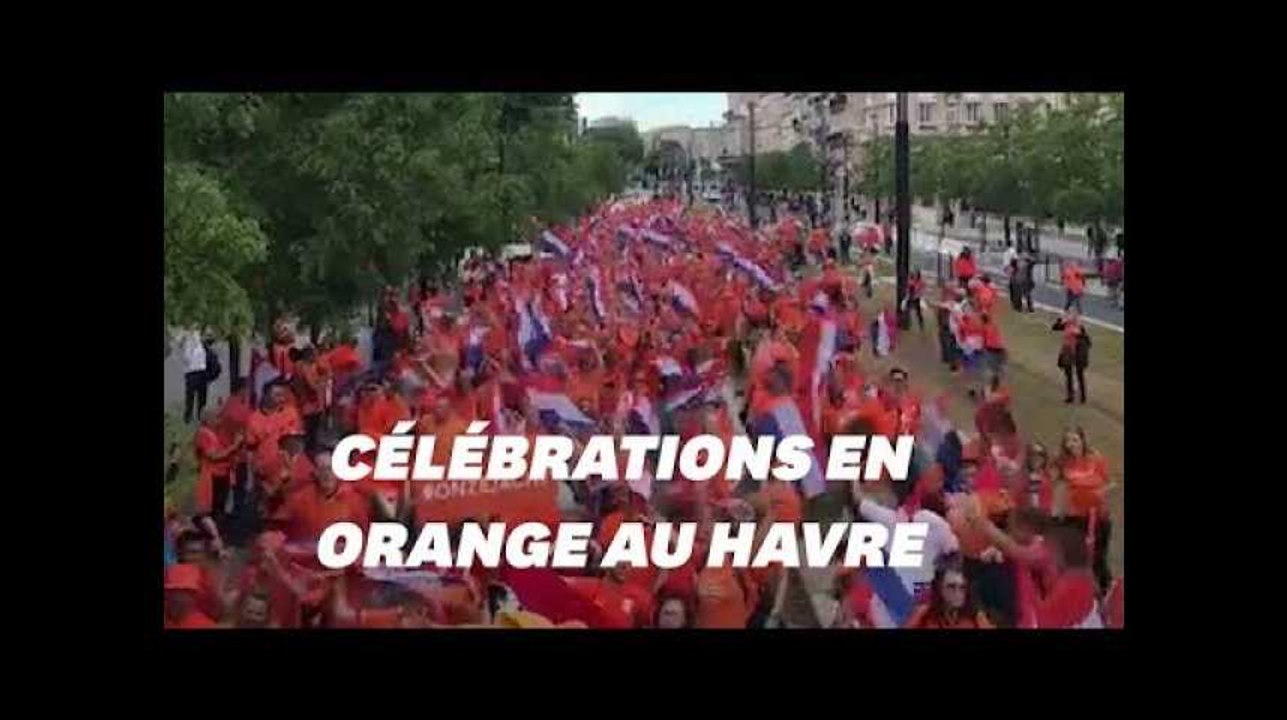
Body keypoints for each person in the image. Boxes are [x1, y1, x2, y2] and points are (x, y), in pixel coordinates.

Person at [1053, 427, 1113, 594]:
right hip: (1075, 518)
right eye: (1068, 441)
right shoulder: (1062, 463)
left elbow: (1110, 483)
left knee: (1099, 558)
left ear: (1082, 441)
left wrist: (1102, 492)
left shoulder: (1096, 459)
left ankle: (1106, 591)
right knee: (1077, 558)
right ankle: (1080, 592)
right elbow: (1058, 489)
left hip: (1099, 516)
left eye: (1075, 440)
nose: (1071, 444)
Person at [904, 558, 993, 629]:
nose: (957, 593)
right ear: (940, 588)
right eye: (951, 587)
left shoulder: (975, 618)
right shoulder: (925, 615)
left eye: (962, 588)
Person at [1052, 310, 1091, 404]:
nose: (1071, 318)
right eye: (1069, 316)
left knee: (1079, 375)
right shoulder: (1066, 325)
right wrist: (1060, 319)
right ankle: (1070, 396)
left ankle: (1083, 397)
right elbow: (1055, 327)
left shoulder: (1080, 328)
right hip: (1067, 352)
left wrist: (1079, 336)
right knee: (1068, 374)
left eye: (1073, 316)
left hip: (1077, 353)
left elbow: (1088, 342)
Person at [164, 563, 218, 629]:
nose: (178, 598)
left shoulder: (205, 625)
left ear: (194, 596)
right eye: (174, 591)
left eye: (185, 592)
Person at [181, 329, 209, 424]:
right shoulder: (187, 337)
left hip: (201, 370)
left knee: (202, 397)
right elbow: (186, 357)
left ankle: (201, 417)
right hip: (191, 371)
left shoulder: (200, 337)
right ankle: (188, 417)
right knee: (190, 397)